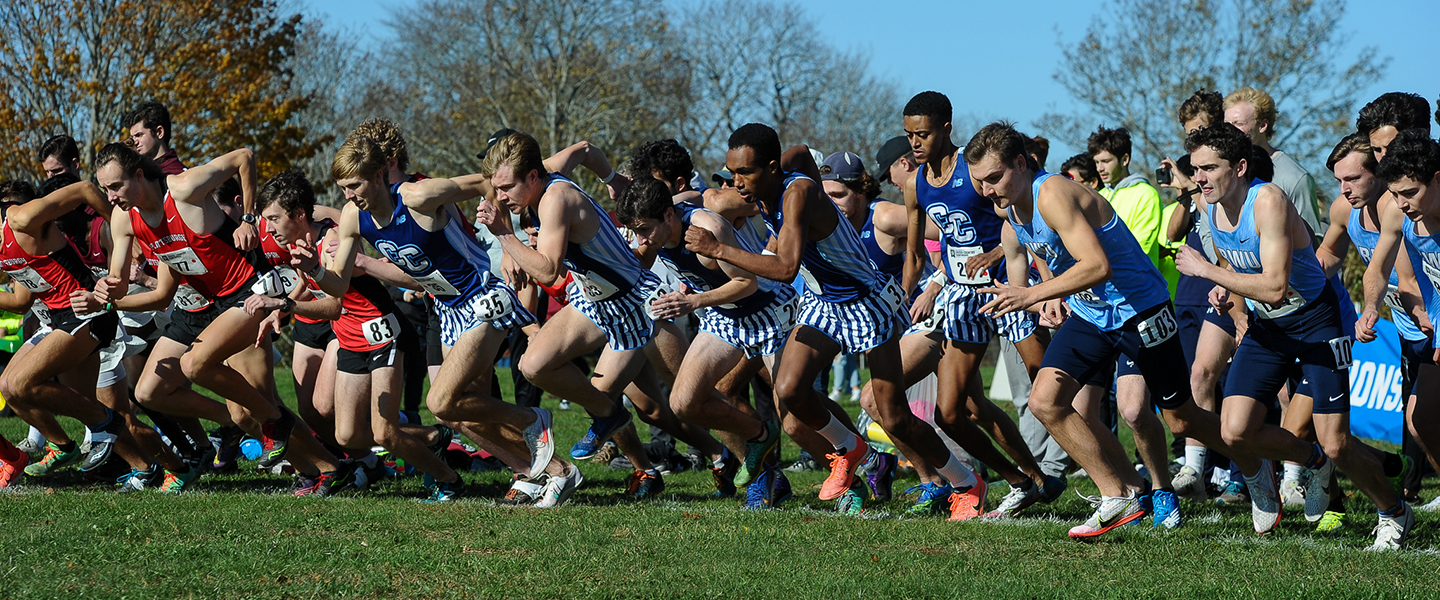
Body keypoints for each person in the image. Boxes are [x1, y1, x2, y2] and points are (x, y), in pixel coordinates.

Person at [685, 123, 987, 519]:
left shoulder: (798, 194)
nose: (737, 183)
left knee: (893, 414)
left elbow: (785, 266)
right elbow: (798, 152)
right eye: (732, 172)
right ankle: (851, 449)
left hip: (866, 303)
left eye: (746, 173)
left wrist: (718, 248)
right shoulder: (767, 185)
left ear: (772, 168)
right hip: (824, 303)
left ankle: (967, 483)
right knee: (789, 391)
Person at [969, 121, 1241, 538]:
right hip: (1094, 316)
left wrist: (1031, 293)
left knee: (1174, 418)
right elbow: (1053, 257)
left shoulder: (1053, 193)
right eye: (979, 182)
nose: (987, 191)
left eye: (994, 178)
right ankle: (1121, 493)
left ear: (1021, 164)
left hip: (1140, 310)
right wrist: (1049, 297)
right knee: (1048, 401)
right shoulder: (1011, 210)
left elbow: (1098, 266)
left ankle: (1252, 466)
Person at [1176, 123, 1409, 550]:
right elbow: (1241, 264)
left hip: (1317, 322)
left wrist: (1207, 271)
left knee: (1336, 442)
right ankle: (1301, 466)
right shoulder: (1212, 206)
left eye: (1209, 168)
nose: (1200, 178)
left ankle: (1393, 510)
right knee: (1234, 431)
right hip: (1270, 326)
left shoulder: (1269, 201)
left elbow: (1275, 286)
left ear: (1241, 167)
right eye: (1195, 169)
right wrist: (1225, 286)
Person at [316, 134, 567, 504]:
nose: (349, 196)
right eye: (342, 188)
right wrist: (312, 269)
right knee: (458, 413)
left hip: (482, 296)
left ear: (381, 175)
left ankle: (532, 421)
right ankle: (541, 470)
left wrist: (507, 238)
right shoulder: (354, 217)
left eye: (355, 185)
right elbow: (337, 285)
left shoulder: (418, 195)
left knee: (440, 401)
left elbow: (483, 182)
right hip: (446, 308)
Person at [89, 142, 346, 495]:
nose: (111, 196)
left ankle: (305, 450)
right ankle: (246, 425)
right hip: (197, 307)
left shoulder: (181, 189)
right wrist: (104, 291)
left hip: (245, 292)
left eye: (115, 186)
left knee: (213, 377)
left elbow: (244, 156)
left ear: (138, 174)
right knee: (151, 392)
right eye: (104, 189)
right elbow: (119, 282)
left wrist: (249, 219)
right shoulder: (123, 219)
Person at [884, 92, 1065, 518]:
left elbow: (1024, 216)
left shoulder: (976, 165)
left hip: (1009, 285)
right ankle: (1025, 480)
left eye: (923, 134)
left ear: (947, 128)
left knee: (1048, 385)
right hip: (963, 295)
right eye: (909, 134)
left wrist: (1002, 256)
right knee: (952, 412)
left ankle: (1112, 479)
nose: (914, 142)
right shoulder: (917, 184)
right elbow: (913, 255)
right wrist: (902, 300)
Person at [615, 177, 797, 496]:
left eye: (644, 229)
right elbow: (686, 195)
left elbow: (747, 284)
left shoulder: (707, 228)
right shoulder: (661, 217)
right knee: (684, 403)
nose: (640, 239)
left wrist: (693, 301)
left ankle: (866, 463)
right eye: (636, 230)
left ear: (669, 217)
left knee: (797, 414)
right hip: (724, 316)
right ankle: (759, 440)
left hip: (768, 313)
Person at [1315, 133, 1432, 530]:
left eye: (1353, 178)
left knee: (1422, 418)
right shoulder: (1356, 209)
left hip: (1425, 325)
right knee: (1421, 421)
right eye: (1338, 181)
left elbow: (1407, 279)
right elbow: (1340, 258)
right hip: (1408, 329)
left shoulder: (1395, 207)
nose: (1345, 189)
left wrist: (1418, 316)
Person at [0, 179, 148, 484]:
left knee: (20, 382)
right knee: (9, 387)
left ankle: (80, 436)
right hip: (58, 320)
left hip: (86, 311)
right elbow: (19, 301)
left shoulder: (20, 218)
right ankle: (149, 468)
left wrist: (124, 235)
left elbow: (84, 188)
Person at [1160, 89, 1236, 502]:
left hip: (1227, 289)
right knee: (1197, 380)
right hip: (1190, 291)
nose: (1195, 138)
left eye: (1203, 129)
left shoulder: (1226, 173)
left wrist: (1195, 183)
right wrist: (1185, 190)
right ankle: (1198, 469)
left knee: (1234, 384)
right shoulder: (1195, 182)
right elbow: (1172, 233)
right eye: (1190, 133)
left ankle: (1238, 470)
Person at [1364, 128, 1440, 519]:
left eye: (1409, 192)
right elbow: (1377, 270)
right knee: (1420, 419)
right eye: (1394, 193)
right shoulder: (1397, 210)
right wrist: (1371, 307)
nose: (1399, 203)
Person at [1224, 87, 1326, 243]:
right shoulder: (1219, 169)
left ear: (1263, 125)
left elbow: (1311, 242)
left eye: (1238, 124)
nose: (1229, 131)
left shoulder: (1295, 177)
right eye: (1226, 124)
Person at [124, 101, 185, 176]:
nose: (135, 142)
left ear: (159, 132)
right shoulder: (138, 176)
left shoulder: (180, 175)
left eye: (139, 135)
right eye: (133, 137)